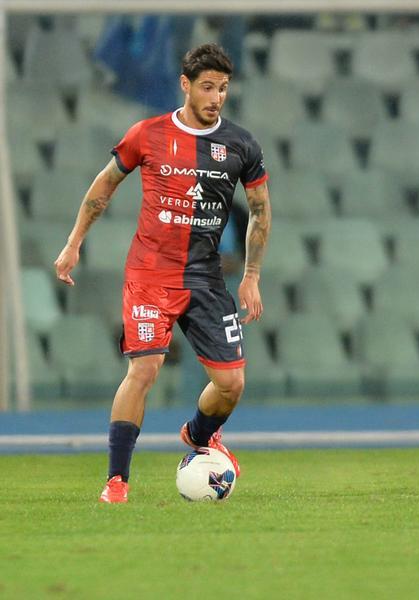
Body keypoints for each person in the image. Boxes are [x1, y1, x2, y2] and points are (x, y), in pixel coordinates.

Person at [54, 43, 271, 504]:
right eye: (208, 87)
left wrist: (251, 274)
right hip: (150, 274)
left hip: (206, 278)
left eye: (223, 89)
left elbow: (260, 210)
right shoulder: (147, 134)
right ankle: (117, 481)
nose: (216, 97)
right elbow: (104, 185)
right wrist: (74, 243)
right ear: (185, 85)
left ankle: (198, 435)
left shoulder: (241, 145)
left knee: (231, 383)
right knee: (145, 368)